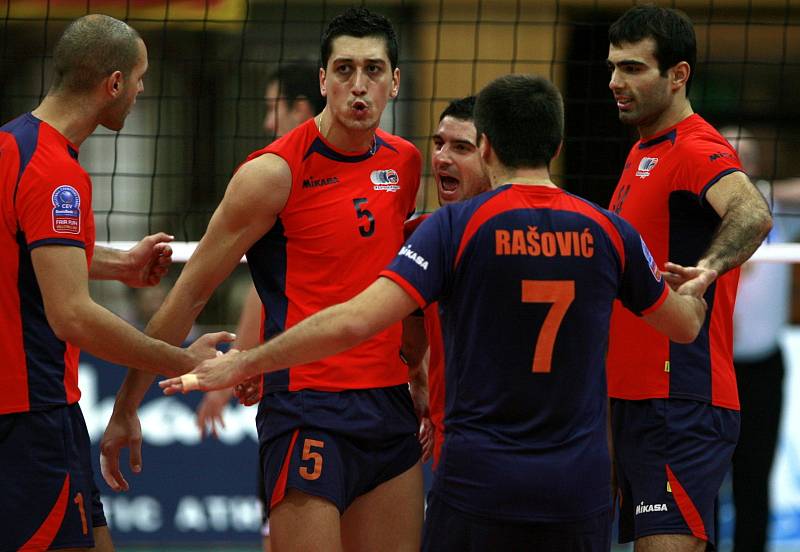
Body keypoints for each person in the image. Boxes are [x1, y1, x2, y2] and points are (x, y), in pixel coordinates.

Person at [162, 73, 715, 552]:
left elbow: (355, 319)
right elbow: (685, 325)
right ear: (558, 143)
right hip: (578, 488)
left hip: (480, 483)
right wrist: (698, 282)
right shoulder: (609, 231)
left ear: (489, 146)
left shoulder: (453, 228)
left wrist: (247, 361)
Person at [101, 7, 425, 551]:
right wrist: (126, 405)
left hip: (388, 407)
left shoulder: (406, 163)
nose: (358, 86)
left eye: (373, 70)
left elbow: (393, 286)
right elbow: (190, 294)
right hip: (307, 409)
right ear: (322, 81)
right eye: (344, 70)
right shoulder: (272, 174)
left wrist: (419, 368)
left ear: (395, 82)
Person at [0, 14, 231, 551]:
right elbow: (72, 316)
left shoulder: (11, 145)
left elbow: (27, 252)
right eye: (140, 76)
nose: (142, 88)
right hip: (32, 416)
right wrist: (186, 363)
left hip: (35, 412)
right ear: (114, 84)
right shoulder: (56, 175)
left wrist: (121, 265)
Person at [605, 6, 773, 552]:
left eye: (632, 68)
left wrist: (711, 268)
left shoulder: (697, 147)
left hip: (680, 400)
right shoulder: (643, 151)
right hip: (632, 402)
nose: (615, 82)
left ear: (678, 75)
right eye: (613, 68)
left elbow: (752, 213)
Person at [195, 61, 324, 552]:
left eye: (274, 109)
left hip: (325, 395)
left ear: (299, 107)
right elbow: (264, 290)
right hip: (302, 395)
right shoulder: (274, 177)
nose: (269, 122)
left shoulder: (291, 177)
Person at [404, 94, 492, 467]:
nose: (441, 157)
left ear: (492, 156)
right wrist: (417, 378)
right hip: (450, 444)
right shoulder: (420, 234)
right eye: (439, 143)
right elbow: (409, 325)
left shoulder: (525, 233)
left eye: (461, 147)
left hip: (506, 444)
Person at [722, 126, 798, 552]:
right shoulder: (700, 208)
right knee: (706, 480)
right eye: (727, 152)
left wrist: (763, 189)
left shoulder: (775, 206)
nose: (736, 160)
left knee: (755, 479)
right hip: (712, 365)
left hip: (763, 367)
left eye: (744, 154)